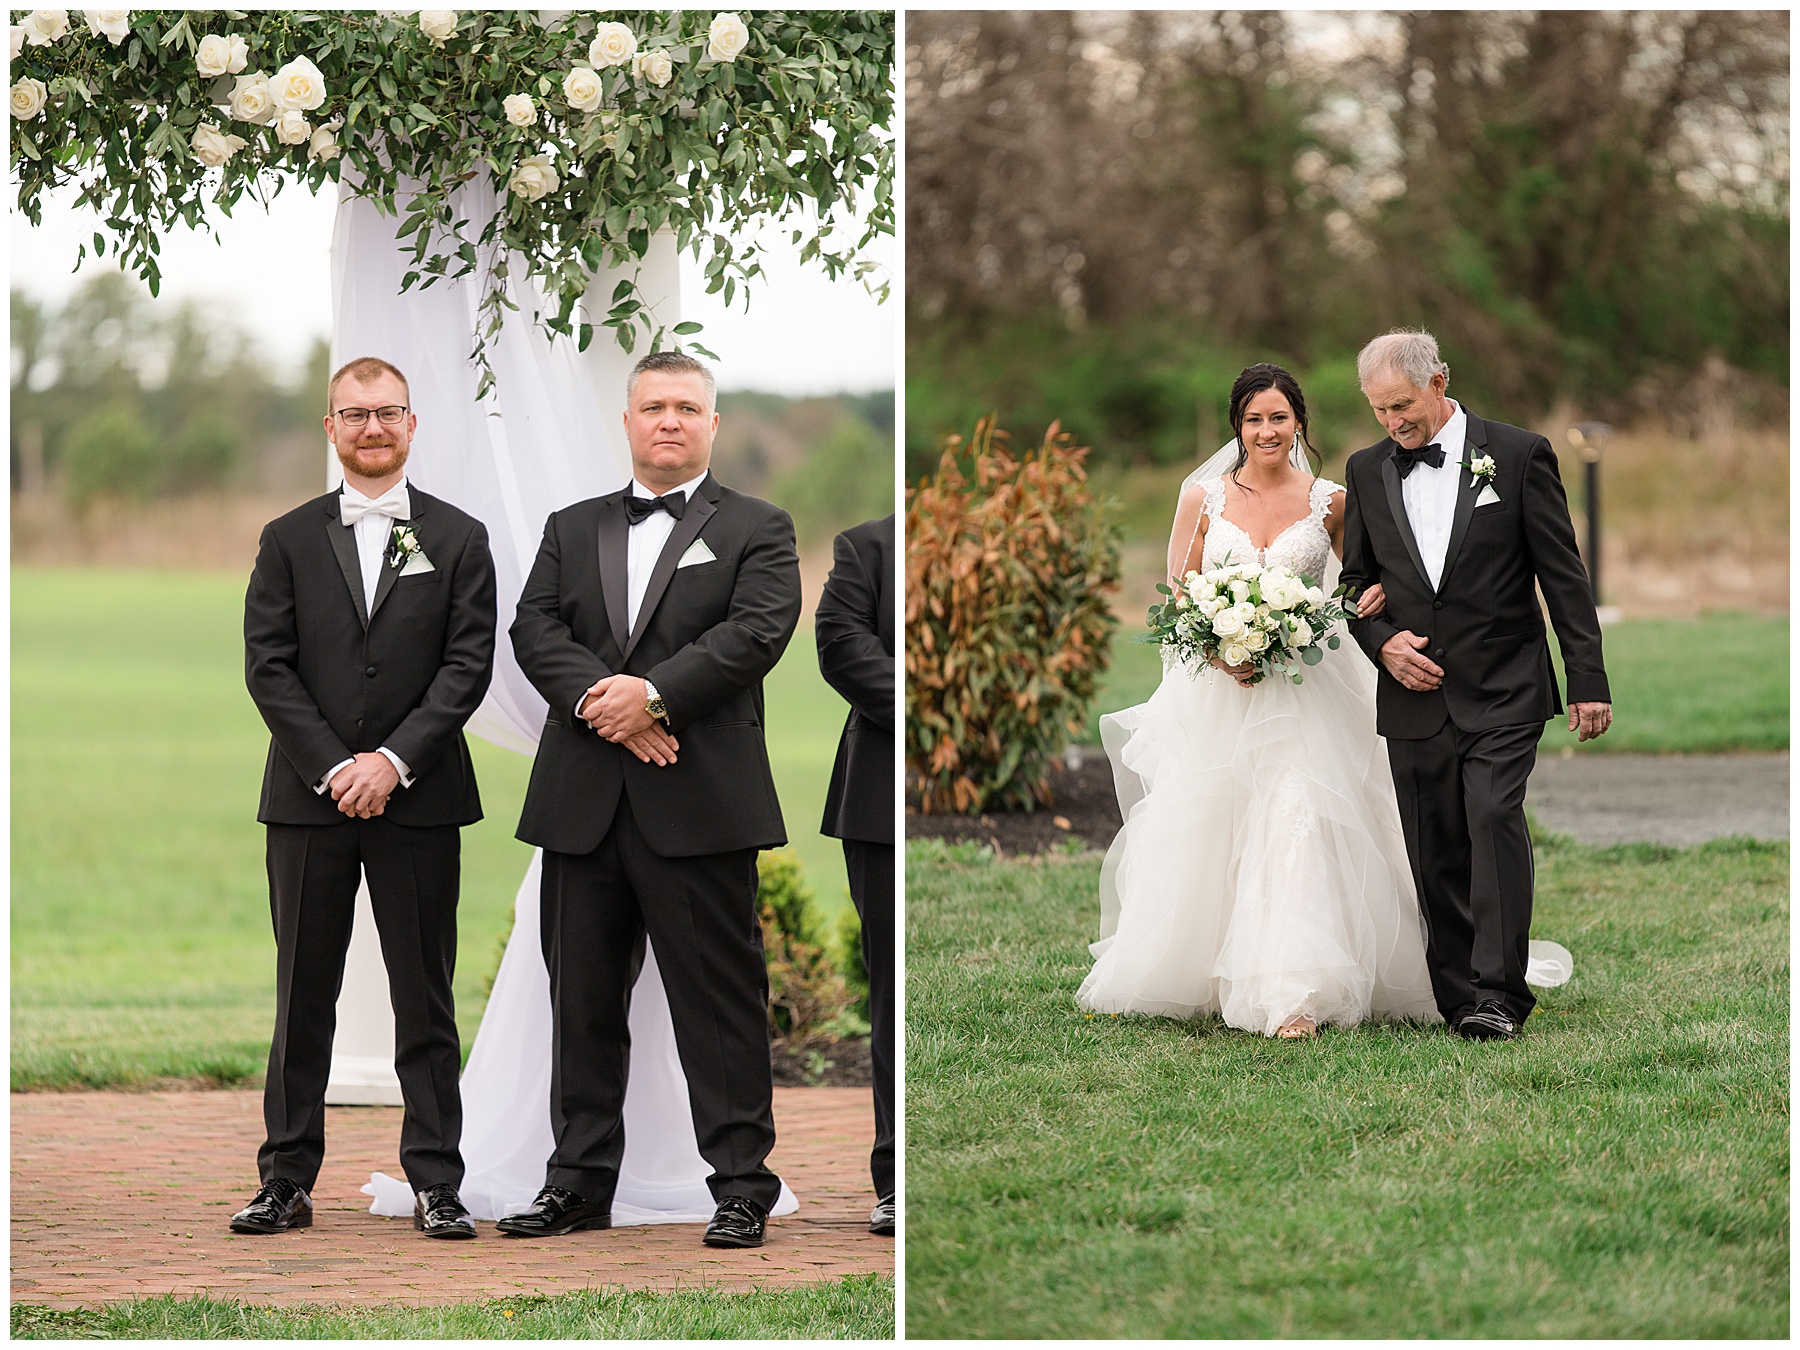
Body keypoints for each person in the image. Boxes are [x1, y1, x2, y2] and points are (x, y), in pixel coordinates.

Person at [503, 350, 802, 1248]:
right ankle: (579, 1186)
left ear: (713, 424)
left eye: (687, 407)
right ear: (627, 422)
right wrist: (612, 705)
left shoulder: (760, 525)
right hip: (582, 803)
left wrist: (655, 695)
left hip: (699, 800)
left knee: (718, 1003)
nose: (668, 421)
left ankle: (741, 1186)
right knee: (582, 1003)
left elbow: (756, 631)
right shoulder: (570, 526)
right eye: (652, 406)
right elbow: (534, 629)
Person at [1077, 363, 1440, 1038]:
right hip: (1219, 691)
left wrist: (1349, 608)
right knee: (1214, 821)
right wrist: (1220, 647)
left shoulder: (1331, 501)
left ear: (1298, 421)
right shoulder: (1203, 499)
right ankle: (1194, 967)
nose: (1266, 430)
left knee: (1296, 809)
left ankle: (1292, 989)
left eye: (1278, 417)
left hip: (1308, 686)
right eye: (1253, 419)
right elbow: (1179, 592)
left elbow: (1358, 580)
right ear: (1237, 428)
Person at [235, 356, 496, 1237]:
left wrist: (391, 761)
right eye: (356, 414)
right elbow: (267, 668)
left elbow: (467, 668)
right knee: (302, 992)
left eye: (389, 413)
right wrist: (334, 767)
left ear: (413, 424)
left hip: (419, 800)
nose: (373, 428)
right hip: (308, 804)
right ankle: (285, 1180)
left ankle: (436, 1181)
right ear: (331, 428)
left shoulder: (460, 539)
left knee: (425, 993)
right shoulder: (287, 538)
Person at [1340, 330, 1610, 1041]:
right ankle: (1456, 996)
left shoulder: (1519, 455)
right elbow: (1352, 586)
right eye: (1378, 411)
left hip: (1504, 682)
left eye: (1402, 405)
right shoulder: (1366, 471)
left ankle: (1499, 996)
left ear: (1440, 382)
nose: (1393, 423)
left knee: (1491, 816)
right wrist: (1382, 643)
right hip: (1414, 692)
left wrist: (1588, 679)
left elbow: (1564, 577)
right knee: (1436, 845)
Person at [815, 513, 896, 1236]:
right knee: (890, 985)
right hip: (878, 792)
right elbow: (840, 647)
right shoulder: (864, 546)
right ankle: (896, 1176)